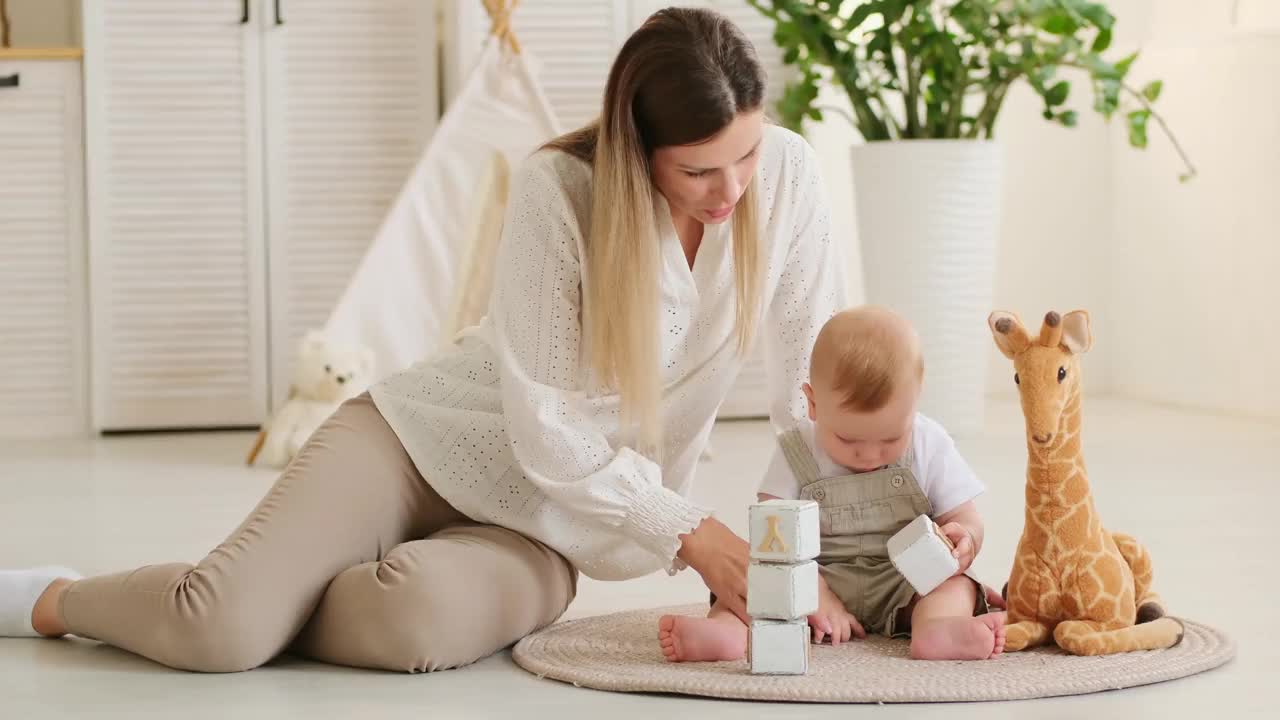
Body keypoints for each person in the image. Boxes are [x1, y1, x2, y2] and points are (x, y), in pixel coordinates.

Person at [0, 7, 843, 673]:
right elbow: (546, 427)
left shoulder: (790, 177)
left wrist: (824, 550)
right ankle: (52, 599)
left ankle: (272, 595)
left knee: (413, 628)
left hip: (550, 526)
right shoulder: (562, 190)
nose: (731, 189)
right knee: (216, 630)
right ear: (638, 153)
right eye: (699, 170)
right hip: (417, 443)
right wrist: (692, 531)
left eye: (745, 155)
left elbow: (811, 387)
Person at [659, 307, 1008, 663]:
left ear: (916, 400)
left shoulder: (929, 443)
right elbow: (772, 533)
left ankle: (938, 628)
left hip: (903, 582)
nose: (870, 455)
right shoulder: (796, 450)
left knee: (955, 585)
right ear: (812, 403)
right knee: (755, 587)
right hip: (817, 578)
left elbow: (965, 516)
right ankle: (728, 634)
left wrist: (965, 538)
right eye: (848, 439)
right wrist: (809, 590)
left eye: (890, 439)